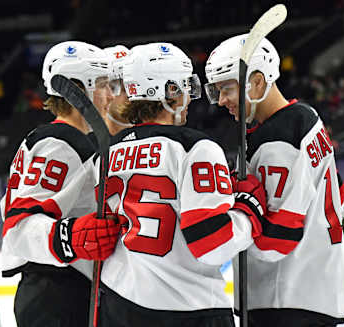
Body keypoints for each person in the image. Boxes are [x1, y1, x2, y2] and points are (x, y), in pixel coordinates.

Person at [98, 42, 267, 327]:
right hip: (190, 309)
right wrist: (248, 210)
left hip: (119, 304)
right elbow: (212, 243)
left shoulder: (105, 154)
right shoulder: (195, 148)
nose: (189, 97)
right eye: (185, 86)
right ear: (170, 91)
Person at [205, 34, 344, 326]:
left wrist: (243, 206)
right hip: (313, 295)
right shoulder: (307, 118)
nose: (221, 101)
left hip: (283, 300)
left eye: (226, 89)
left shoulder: (278, 137)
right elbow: (340, 194)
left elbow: (274, 242)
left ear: (257, 82)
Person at [0, 41, 121, 327]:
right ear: (77, 88)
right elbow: (19, 226)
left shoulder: (62, 139)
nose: (109, 93)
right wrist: (72, 236)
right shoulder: (59, 144)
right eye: (102, 83)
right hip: (54, 292)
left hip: (62, 287)